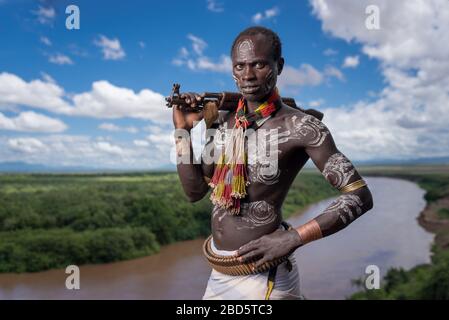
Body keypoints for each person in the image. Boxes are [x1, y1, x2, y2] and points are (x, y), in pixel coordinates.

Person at [172, 26, 373, 300]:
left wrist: (295, 237)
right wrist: (182, 131)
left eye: (259, 64)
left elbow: (360, 196)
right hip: (220, 272)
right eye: (240, 66)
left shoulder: (302, 127)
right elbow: (194, 192)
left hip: (265, 278)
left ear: (279, 65)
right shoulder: (221, 121)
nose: (248, 75)